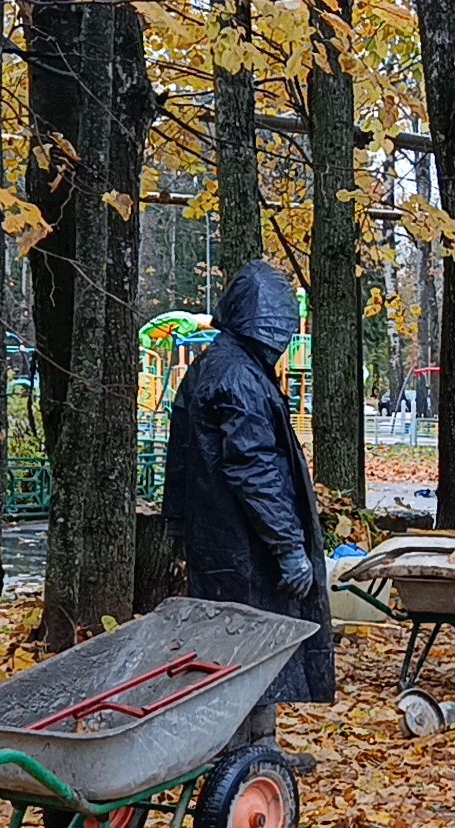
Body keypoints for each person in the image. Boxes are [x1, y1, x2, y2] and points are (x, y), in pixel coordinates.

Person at [164, 260, 336, 745]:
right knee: (247, 648)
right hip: (243, 544)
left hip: (225, 539)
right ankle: (243, 755)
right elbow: (255, 468)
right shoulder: (237, 376)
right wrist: (286, 546)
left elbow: (188, 462)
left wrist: (180, 529)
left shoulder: (220, 367)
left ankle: (259, 747)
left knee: (249, 649)